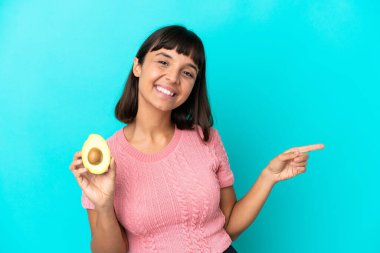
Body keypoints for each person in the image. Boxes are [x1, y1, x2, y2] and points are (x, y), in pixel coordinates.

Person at [69, 25, 324, 253]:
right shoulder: (104, 159)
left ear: (193, 85)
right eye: (163, 62)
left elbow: (229, 226)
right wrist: (102, 205)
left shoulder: (207, 138)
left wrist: (269, 176)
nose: (172, 78)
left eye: (187, 73)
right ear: (138, 66)